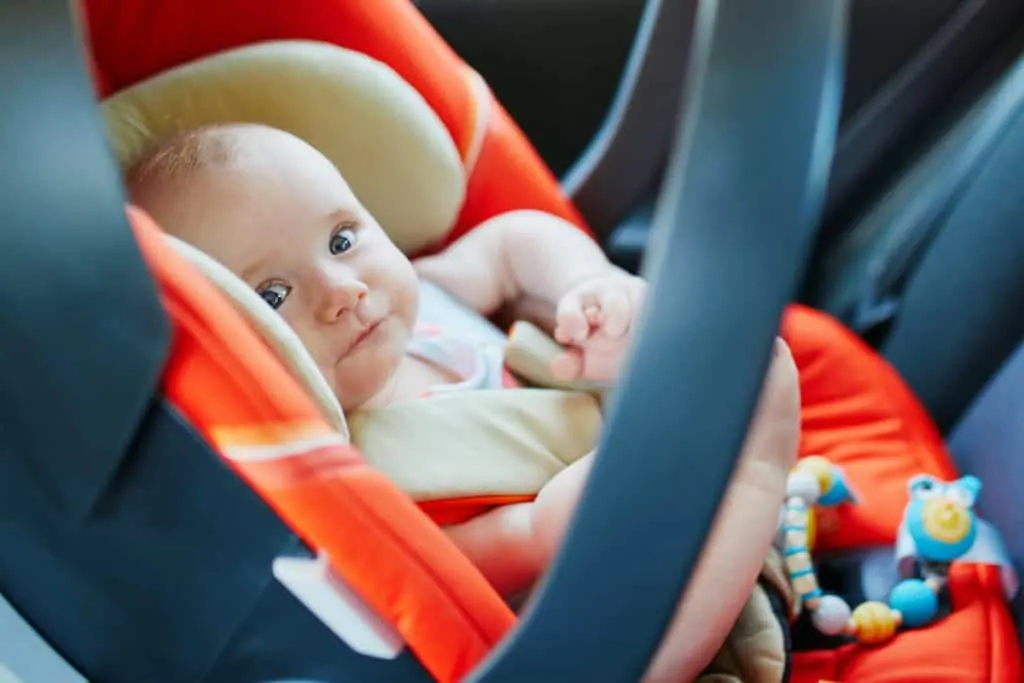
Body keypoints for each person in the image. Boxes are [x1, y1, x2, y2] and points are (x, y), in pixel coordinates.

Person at [127, 122, 800, 681]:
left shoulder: (432, 293)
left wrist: (588, 284)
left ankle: (738, 494)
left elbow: (513, 243)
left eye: (341, 239)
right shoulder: (347, 482)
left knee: (740, 350)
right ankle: (753, 468)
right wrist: (611, 482)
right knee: (759, 381)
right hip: (605, 625)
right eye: (272, 295)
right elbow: (508, 546)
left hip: (662, 488)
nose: (342, 289)